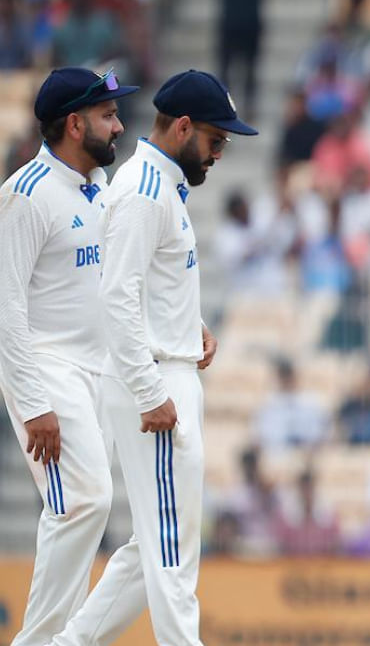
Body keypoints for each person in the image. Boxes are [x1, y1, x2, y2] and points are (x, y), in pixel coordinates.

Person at [52, 70, 257, 646]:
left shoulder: (159, 184)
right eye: (216, 141)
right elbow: (113, 297)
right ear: (183, 127)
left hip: (167, 369)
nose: (219, 154)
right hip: (154, 383)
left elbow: (140, 288)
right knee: (172, 552)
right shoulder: (144, 190)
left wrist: (188, 327)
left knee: (154, 546)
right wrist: (150, 391)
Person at [0, 67, 138, 646]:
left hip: (99, 372)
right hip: (48, 369)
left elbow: (117, 281)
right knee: (84, 501)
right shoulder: (25, 195)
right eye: (108, 115)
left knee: (88, 514)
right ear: (75, 124)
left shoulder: (99, 187)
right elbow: (5, 305)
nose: (119, 124)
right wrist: (33, 403)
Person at [212, 0, 275, 118]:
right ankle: (249, 105)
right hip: (251, 15)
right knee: (251, 64)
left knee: (225, 65)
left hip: (229, 15)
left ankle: (222, 106)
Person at [254, 357, 328, 450]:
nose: (286, 380)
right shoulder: (268, 404)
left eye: (288, 376)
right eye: (283, 377)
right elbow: (259, 435)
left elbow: (321, 433)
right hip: (275, 454)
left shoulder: (311, 402)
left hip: (306, 453)